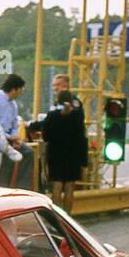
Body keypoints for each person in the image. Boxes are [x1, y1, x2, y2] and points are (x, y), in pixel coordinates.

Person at [36, 80, 88, 212]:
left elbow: (46, 136)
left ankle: (58, 218)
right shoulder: (77, 116)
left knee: (57, 186)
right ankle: (69, 216)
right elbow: (82, 138)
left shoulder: (52, 115)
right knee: (70, 186)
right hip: (73, 154)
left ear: (57, 100)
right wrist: (84, 161)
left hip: (56, 153)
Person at [0, 73, 35, 187]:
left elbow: (14, 124)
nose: (21, 92)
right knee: (7, 158)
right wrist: (9, 138)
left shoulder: (13, 105)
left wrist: (15, 137)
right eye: (21, 89)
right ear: (15, 89)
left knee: (28, 152)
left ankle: (22, 187)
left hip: (9, 138)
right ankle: (2, 187)